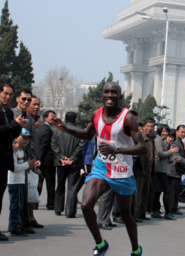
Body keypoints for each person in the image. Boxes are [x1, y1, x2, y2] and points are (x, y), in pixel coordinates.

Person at [52, 82, 147, 256]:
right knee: (86, 205)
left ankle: (136, 249)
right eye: (106, 92)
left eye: (114, 92)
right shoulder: (96, 114)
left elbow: (142, 147)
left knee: (126, 215)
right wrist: (65, 129)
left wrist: (117, 149)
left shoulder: (127, 118)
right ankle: (101, 244)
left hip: (122, 170)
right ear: (102, 95)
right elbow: (88, 135)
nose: (110, 95)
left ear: (119, 96)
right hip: (101, 167)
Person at [12, 89, 42, 232]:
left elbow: (30, 141)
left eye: (28, 100)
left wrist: (32, 159)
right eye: (24, 99)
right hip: (9, 156)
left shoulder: (29, 118)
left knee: (22, 194)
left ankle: (24, 222)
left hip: (23, 159)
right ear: (17, 99)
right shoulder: (10, 114)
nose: (26, 102)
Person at [0, 83, 25, 241]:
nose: (8, 97)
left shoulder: (9, 112)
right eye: (5, 94)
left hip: (4, 162)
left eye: (10, 94)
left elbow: (11, 133)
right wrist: (14, 124)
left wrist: (19, 126)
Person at [51, 112, 85, 218]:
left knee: (60, 185)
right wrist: (72, 158)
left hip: (60, 163)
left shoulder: (56, 131)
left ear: (64, 120)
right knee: (72, 187)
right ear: (75, 120)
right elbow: (80, 146)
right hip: (74, 164)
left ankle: (58, 208)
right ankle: (70, 211)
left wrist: (61, 157)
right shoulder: (80, 132)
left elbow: (54, 144)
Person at [8, 128, 39, 237]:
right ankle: (14, 227)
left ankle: (15, 225)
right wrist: (28, 164)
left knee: (19, 205)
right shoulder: (14, 150)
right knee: (16, 205)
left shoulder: (21, 150)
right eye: (23, 138)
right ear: (16, 137)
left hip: (20, 181)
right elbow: (14, 167)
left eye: (27, 138)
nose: (26, 140)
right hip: (15, 181)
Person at [153, 125, 180, 220]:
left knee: (158, 192)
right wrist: (171, 151)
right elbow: (160, 154)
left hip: (162, 169)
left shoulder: (162, 141)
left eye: (166, 132)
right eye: (163, 131)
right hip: (160, 169)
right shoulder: (158, 140)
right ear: (159, 131)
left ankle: (155, 211)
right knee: (166, 191)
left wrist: (171, 158)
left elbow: (163, 155)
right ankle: (167, 212)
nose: (165, 133)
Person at [135, 118, 155, 221]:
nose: (149, 128)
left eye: (151, 126)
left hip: (149, 169)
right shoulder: (140, 139)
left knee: (145, 193)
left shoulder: (151, 139)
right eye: (147, 126)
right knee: (138, 193)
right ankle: (136, 214)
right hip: (140, 169)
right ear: (143, 127)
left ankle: (142, 214)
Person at [36, 110, 56, 210]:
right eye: (52, 116)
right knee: (50, 183)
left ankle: (34, 203)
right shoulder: (48, 130)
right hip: (47, 160)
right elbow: (44, 146)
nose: (54, 118)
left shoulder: (39, 129)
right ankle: (51, 204)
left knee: (39, 182)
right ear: (46, 118)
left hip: (40, 159)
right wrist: (41, 159)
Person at [171, 124, 185, 214]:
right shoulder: (175, 141)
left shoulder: (180, 141)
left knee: (176, 190)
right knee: (173, 190)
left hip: (177, 170)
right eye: (182, 132)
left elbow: (180, 154)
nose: (183, 134)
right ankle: (172, 208)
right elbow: (175, 155)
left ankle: (174, 207)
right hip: (173, 170)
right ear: (177, 132)